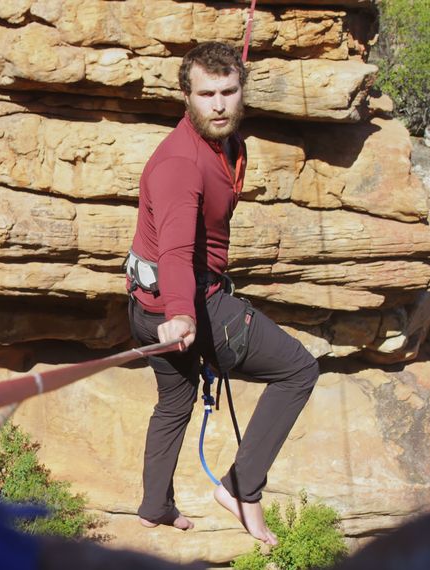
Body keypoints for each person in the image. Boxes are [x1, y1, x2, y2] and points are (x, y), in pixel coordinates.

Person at [125, 42, 319, 545]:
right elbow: (174, 249)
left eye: (228, 92)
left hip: (148, 306)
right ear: (185, 96)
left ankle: (154, 507)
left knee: (176, 400)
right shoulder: (180, 165)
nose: (218, 104)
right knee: (298, 369)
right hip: (184, 304)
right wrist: (182, 314)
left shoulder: (227, 144)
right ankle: (240, 490)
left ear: (241, 91)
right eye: (206, 93)